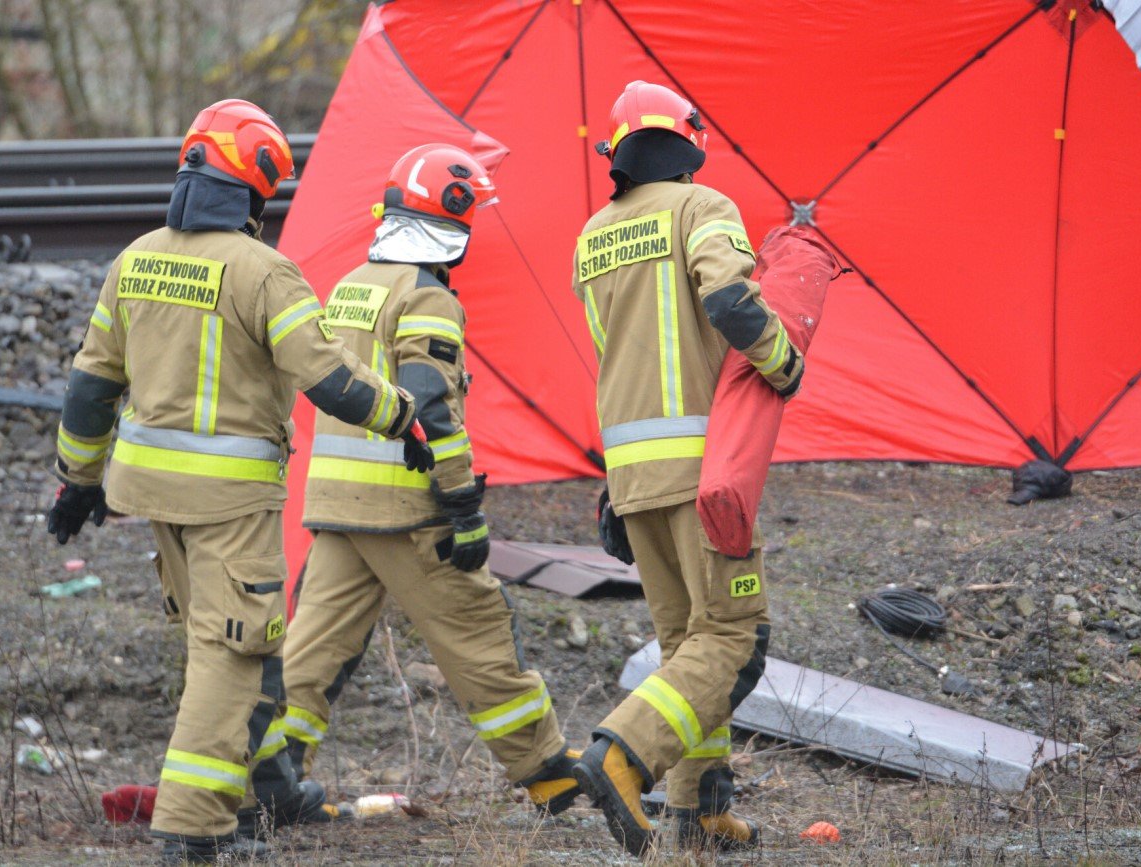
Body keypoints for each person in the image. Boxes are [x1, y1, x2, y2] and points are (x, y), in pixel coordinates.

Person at [46, 99, 433, 865]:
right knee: (233, 654)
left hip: (149, 496)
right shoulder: (264, 271)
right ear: (256, 186)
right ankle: (191, 828)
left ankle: (268, 788)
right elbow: (329, 380)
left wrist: (77, 480)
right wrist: (402, 417)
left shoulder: (135, 259)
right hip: (228, 504)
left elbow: (91, 389)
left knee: (228, 640)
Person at [251, 143, 582, 822]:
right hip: (407, 508)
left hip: (338, 506)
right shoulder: (427, 296)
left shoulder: (352, 283)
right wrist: (462, 504)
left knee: (311, 654)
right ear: (452, 218)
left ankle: (268, 780)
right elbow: (430, 405)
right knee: (479, 633)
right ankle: (549, 773)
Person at [570, 81, 804, 857]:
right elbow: (733, 301)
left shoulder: (593, 234)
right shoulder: (701, 209)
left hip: (632, 476)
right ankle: (621, 754)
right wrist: (782, 361)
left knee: (686, 646)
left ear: (621, 156)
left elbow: (619, 358)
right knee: (735, 636)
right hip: (704, 471)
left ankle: (698, 810)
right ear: (688, 143)